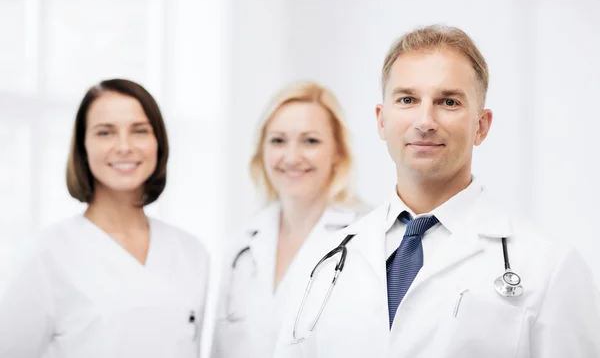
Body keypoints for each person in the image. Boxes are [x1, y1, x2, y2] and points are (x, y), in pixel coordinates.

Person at [272, 25, 600, 358]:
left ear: (481, 126)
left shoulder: (549, 268)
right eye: (407, 99)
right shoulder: (324, 260)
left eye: (448, 101)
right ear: (381, 120)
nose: (425, 121)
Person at [0, 79, 210, 358]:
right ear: (83, 148)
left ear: (158, 143)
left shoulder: (191, 253)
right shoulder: (47, 254)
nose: (124, 146)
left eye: (139, 131)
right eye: (105, 133)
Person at [211, 81, 369, 358]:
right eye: (278, 140)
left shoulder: (367, 236)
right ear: (262, 152)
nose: (292, 157)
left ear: (337, 152)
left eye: (310, 141)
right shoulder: (242, 246)